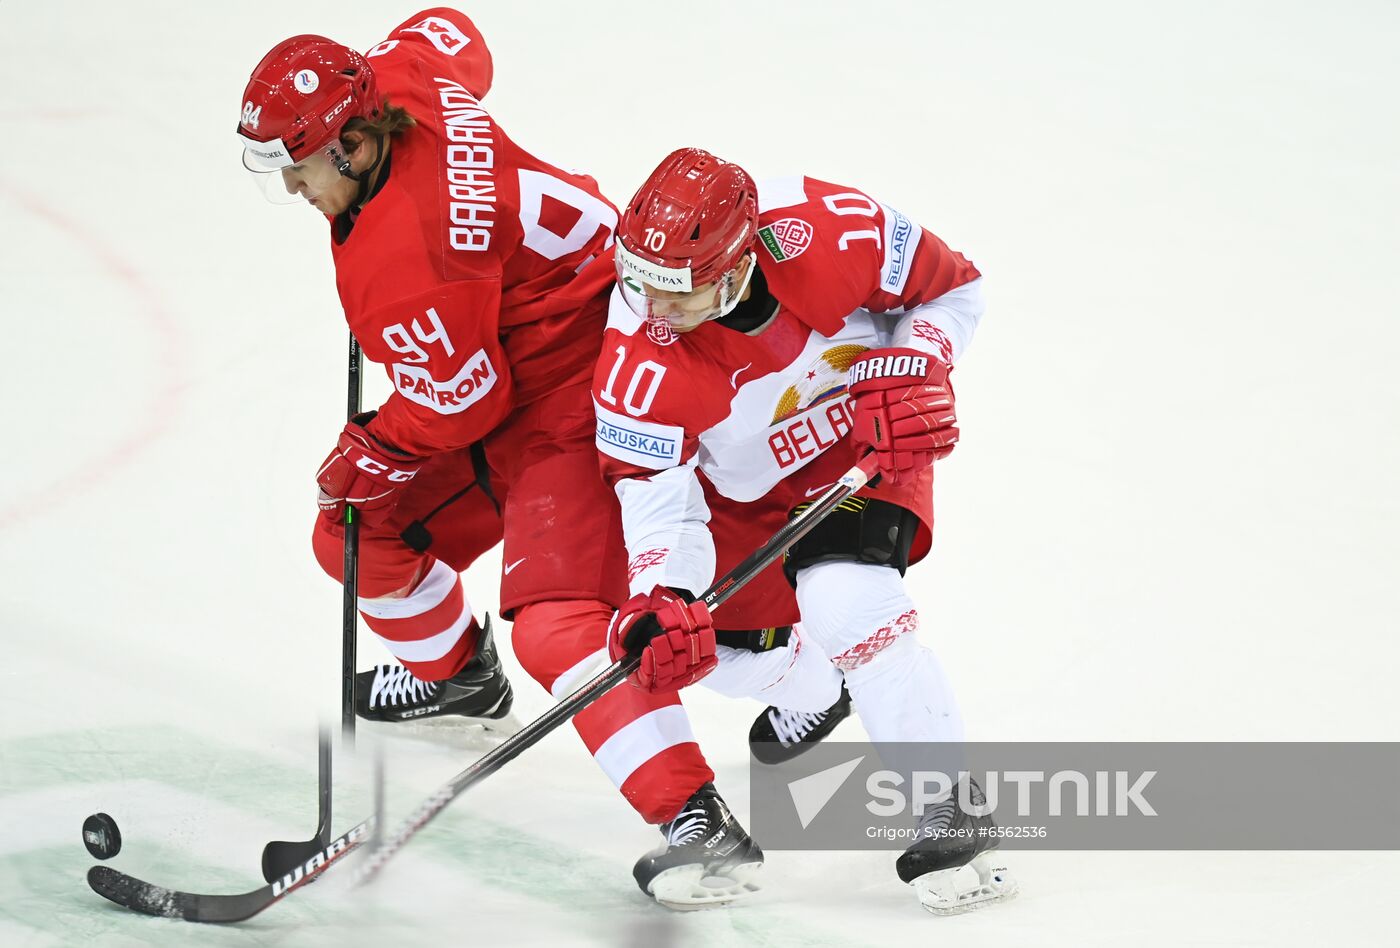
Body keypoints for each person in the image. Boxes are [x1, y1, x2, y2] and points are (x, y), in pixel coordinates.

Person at [234, 10, 787, 907]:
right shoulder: (397, 74)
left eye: (296, 162)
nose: (290, 184)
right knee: (354, 531)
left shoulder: (407, 259)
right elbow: (456, 33)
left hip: (577, 389)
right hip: (517, 343)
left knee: (558, 622)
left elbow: (463, 404)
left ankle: (697, 819)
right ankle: (460, 681)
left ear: (356, 143)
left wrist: (376, 443)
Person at [592, 147, 1018, 914]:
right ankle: (817, 687)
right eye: (639, 283)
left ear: (737, 266)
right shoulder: (637, 368)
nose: (653, 312)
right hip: (740, 492)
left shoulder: (835, 230)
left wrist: (918, 367)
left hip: (863, 436)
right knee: (676, 648)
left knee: (846, 603)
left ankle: (949, 802)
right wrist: (665, 589)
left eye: (678, 294)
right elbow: (662, 503)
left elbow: (956, 290)